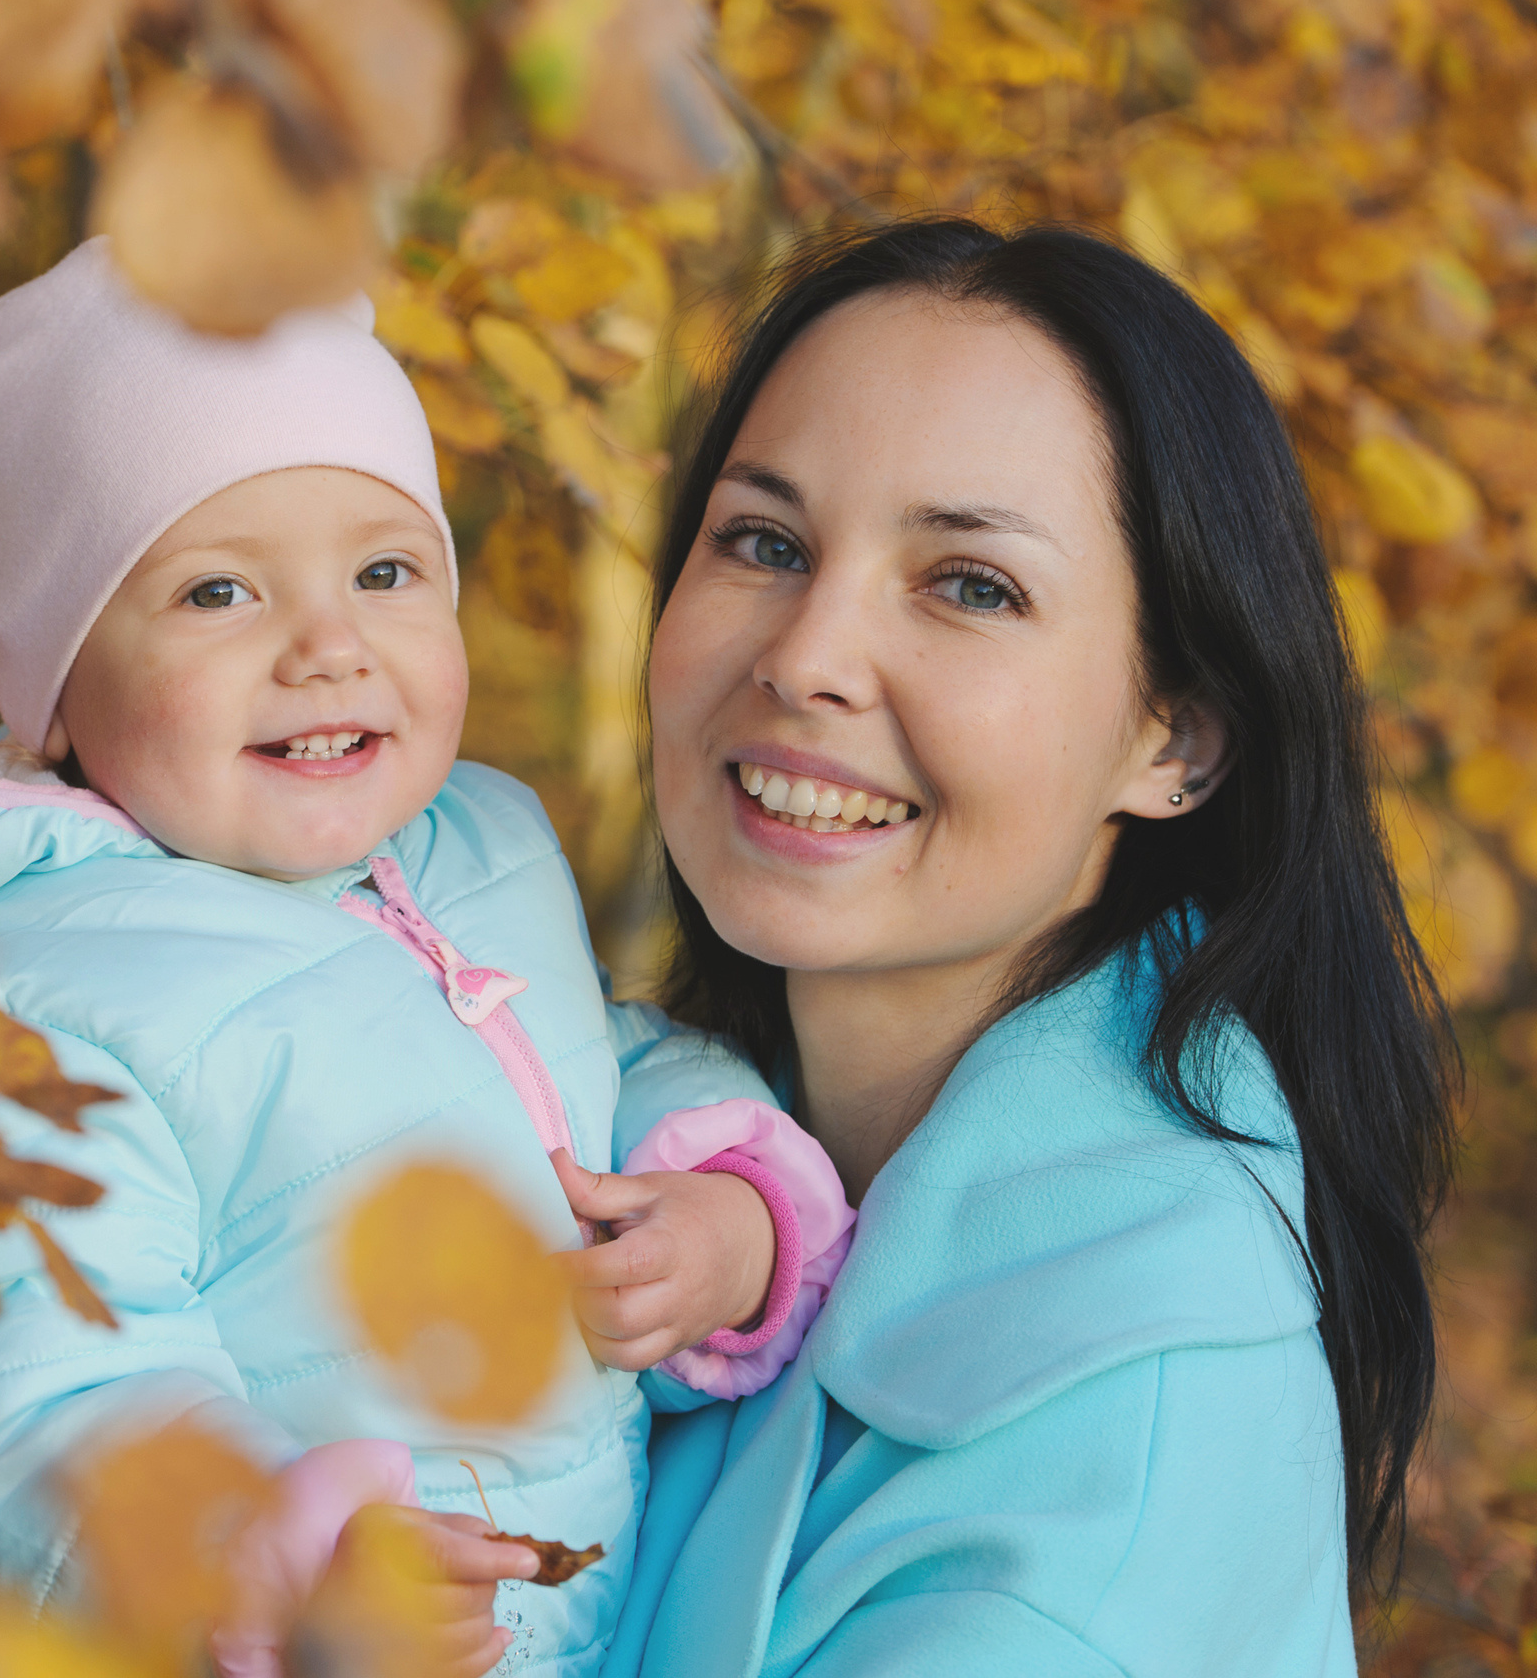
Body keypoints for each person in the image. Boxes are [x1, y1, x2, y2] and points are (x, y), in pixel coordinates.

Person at [0, 238, 853, 1678]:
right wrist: (270, 1558)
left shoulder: (476, 842)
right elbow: (28, 1381)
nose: (328, 646)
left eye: (388, 571)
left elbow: (581, 1060)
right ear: (59, 698)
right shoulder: (22, 994)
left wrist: (726, 1207)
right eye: (220, 594)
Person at [607, 217, 1454, 1675]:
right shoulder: (605, 1119)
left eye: (971, 584)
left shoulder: (1130, 1414)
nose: (806, 655)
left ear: (1173, 739)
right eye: (765, 542)